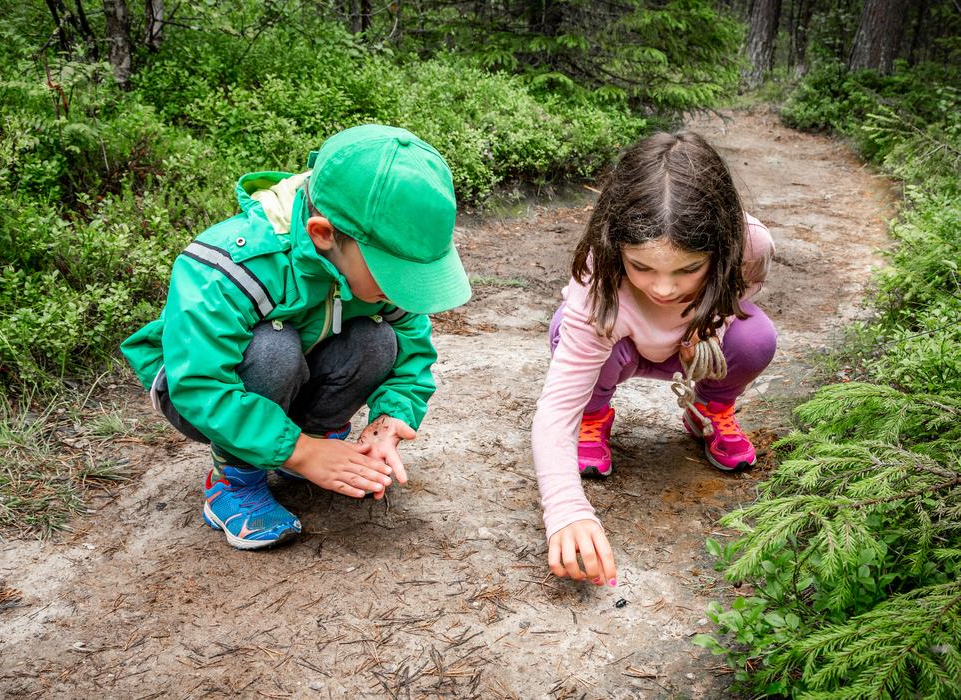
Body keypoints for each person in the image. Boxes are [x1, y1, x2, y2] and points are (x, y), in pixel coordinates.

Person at [121, 124, 471, 550]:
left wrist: (392, 416)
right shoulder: (231, 266)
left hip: (295, 375)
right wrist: (302, 452)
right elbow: (200, 385)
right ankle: (234, 480)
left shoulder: (373, 272)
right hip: (197, 391)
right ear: (323, 235)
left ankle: (307, 442)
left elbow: (411, 353)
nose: (403, 290)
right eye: (393, 273)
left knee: (378, 341)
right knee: (273, 348)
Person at [532, 131, 776, 586]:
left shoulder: (752, 245)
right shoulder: (597, 270)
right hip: (619, 351)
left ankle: (711, 406)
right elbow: (555, 405)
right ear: (615, 244)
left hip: (693, 353)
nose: (663, 289)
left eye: (688, 269)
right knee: (570, 329)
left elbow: (740, 294)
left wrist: (709, 327)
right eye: (641, 266)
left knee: (756, 337)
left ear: (721, 249)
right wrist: (565, 510)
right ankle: (596, 413)